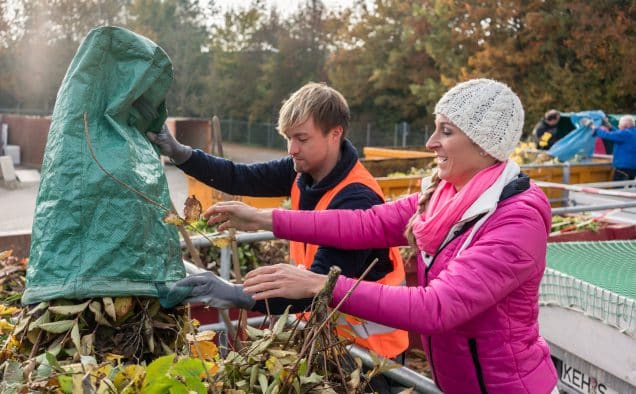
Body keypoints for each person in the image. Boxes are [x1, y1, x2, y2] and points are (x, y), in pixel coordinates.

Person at [204, 79, 559, 394]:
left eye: (446, 132)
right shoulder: (445, 194)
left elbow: (437, 307)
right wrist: (262, 218)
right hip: (458, 382)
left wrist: (319, 285)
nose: (431, 142)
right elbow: (365, 223)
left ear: (484, 145)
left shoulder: (515, 218)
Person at [150, 83, 409, 383]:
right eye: (288, 138)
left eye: (301, 138)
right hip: (325, 340)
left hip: (369, 355)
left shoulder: (357, 199)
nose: (291, 149)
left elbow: (316, 290)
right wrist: (181, 154)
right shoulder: (302, 170)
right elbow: (240, 177)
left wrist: (234, 294)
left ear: (335, 134)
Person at [595, 115, 636, 180]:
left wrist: (593, 127)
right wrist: (610, 126)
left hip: (623, 169)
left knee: (618, 188)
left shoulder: (626, 134)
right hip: (633, 168)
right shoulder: (632, 132)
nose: (618, 126)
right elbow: (618, 134)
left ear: (626, 125)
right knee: (628, 188)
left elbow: (606, 135)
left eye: (620, 124)